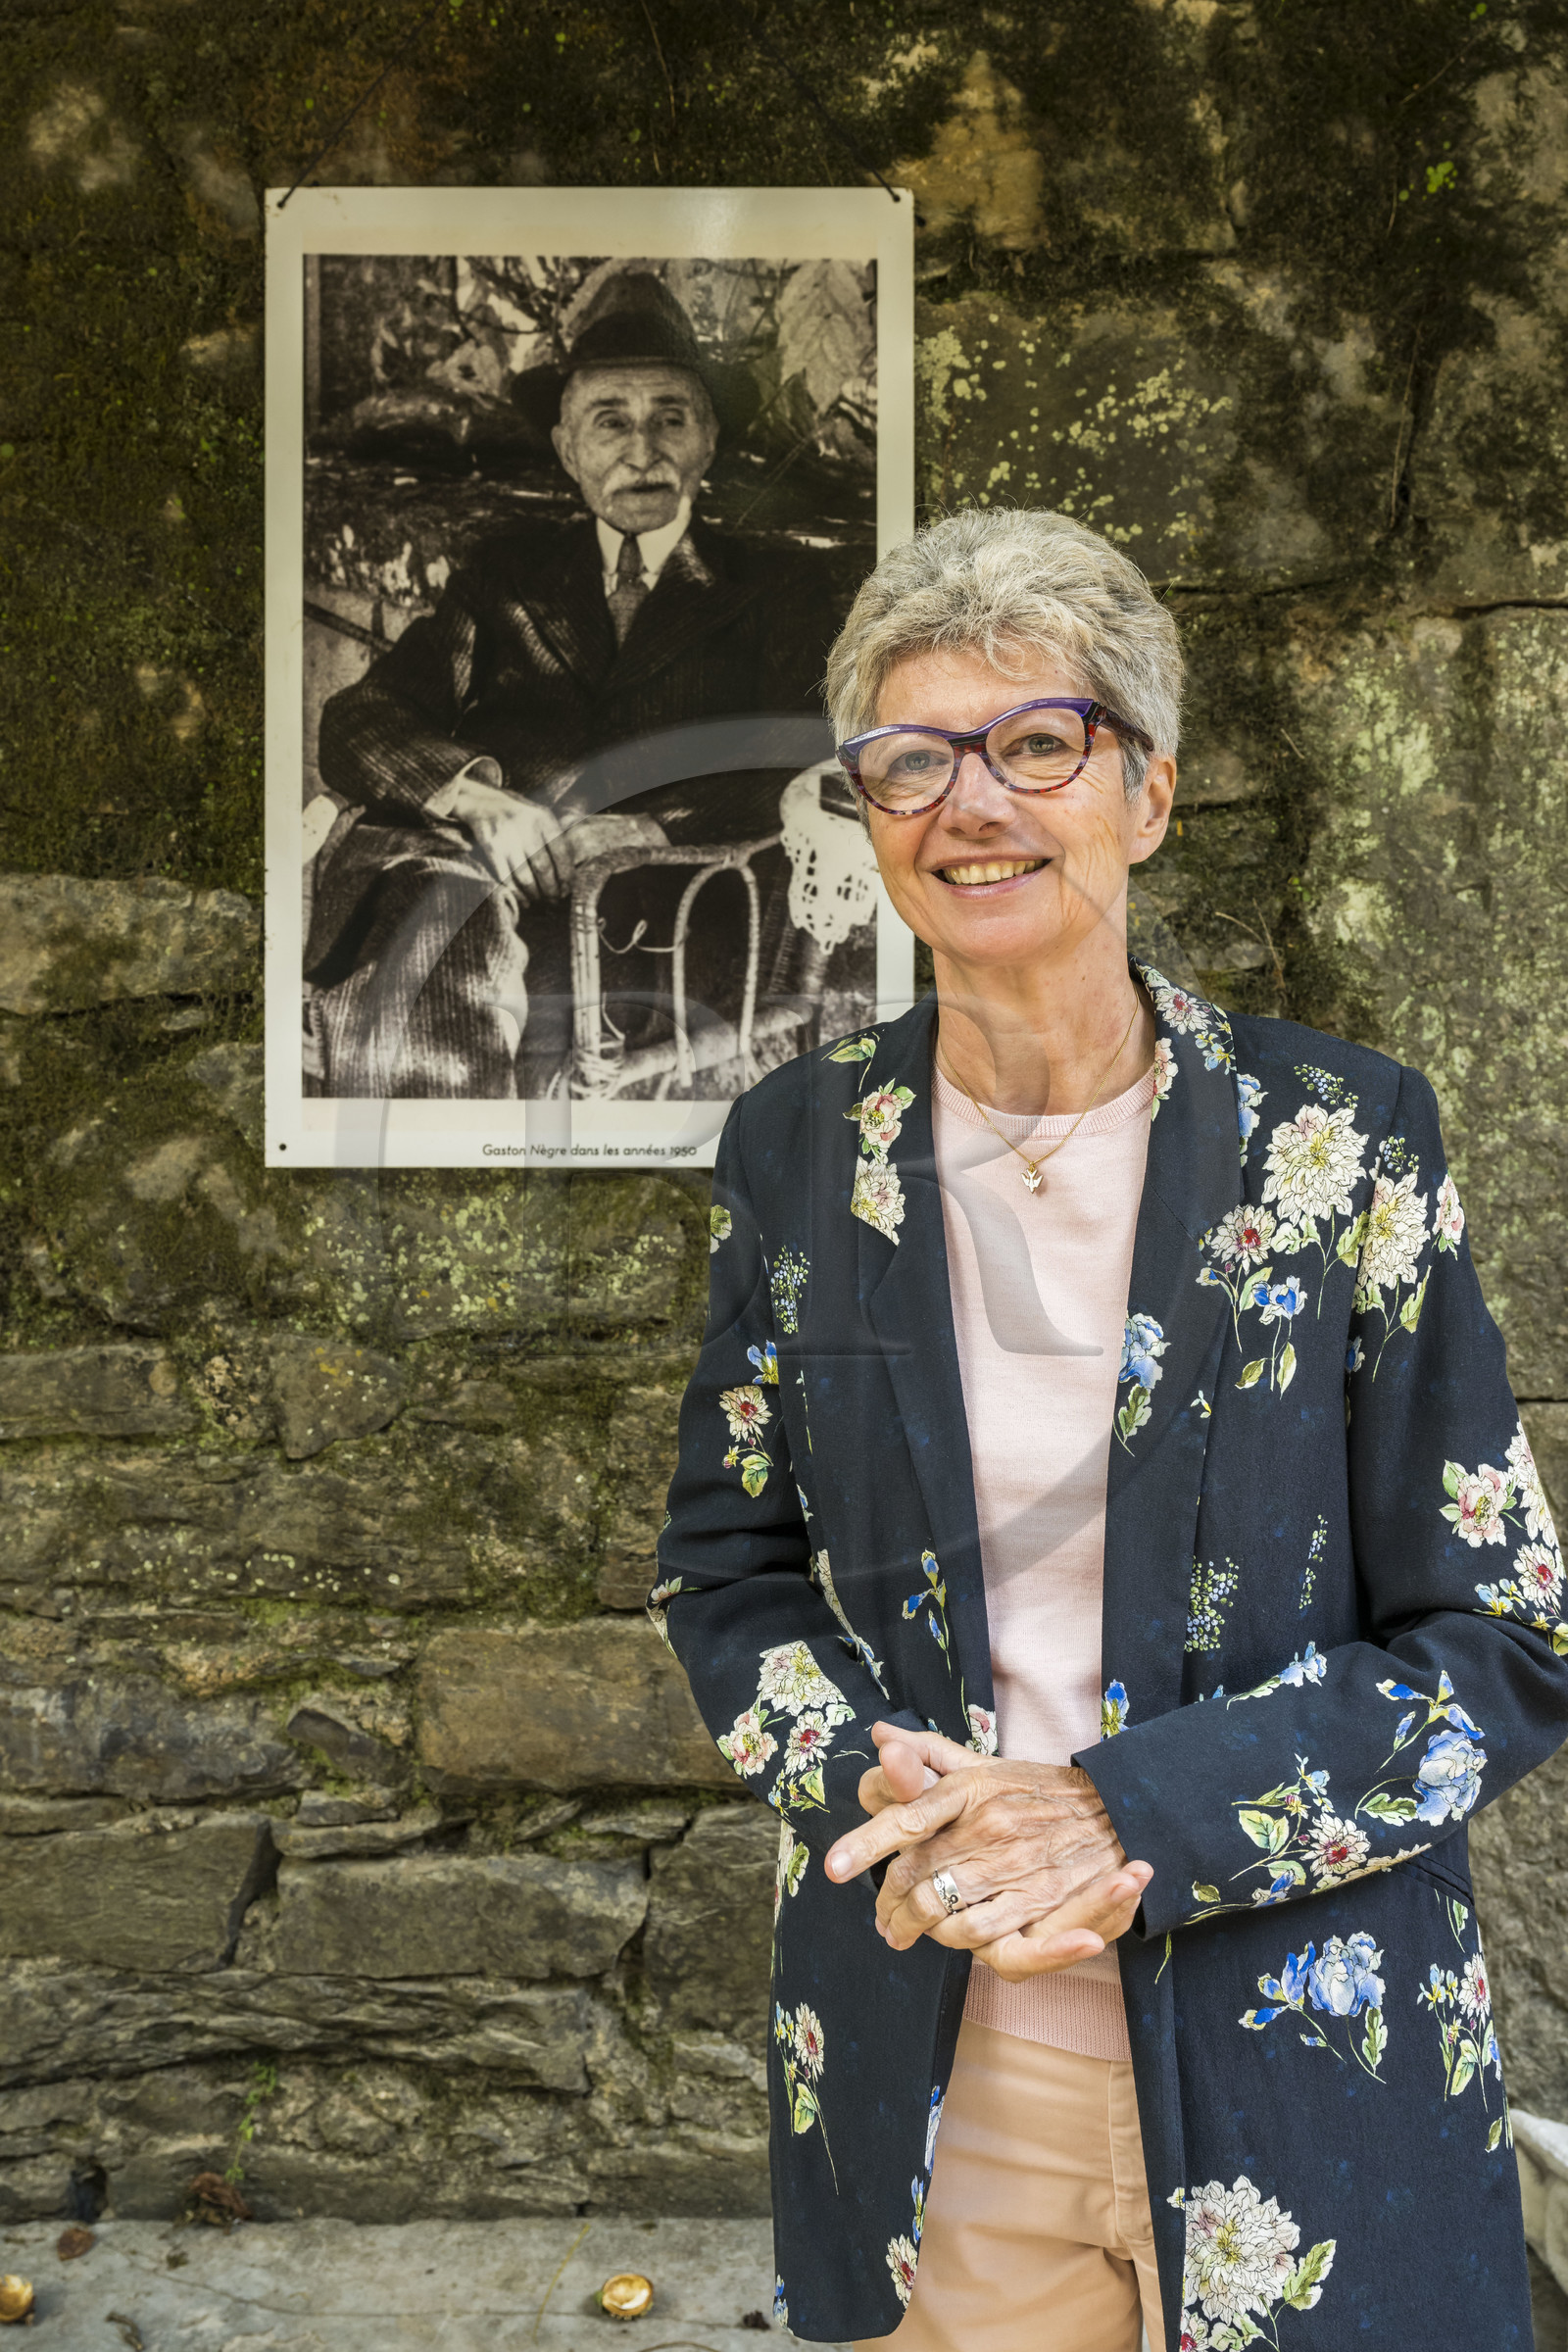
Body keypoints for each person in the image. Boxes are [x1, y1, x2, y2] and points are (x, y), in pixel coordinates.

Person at [653, 505, 1568, 2349]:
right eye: (910, 760)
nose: (970, 804)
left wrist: (1115, 1812)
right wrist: (879, 1792)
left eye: (1037, 745)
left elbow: (1503, 1640)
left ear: (1143, 795)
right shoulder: (801, 1153)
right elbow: (725, 1569)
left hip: (1305, 2056)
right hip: (938, 2065)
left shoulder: (1347, 1140)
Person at [305, 269, 839, 1097]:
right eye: (609, 422)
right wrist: (482, 802)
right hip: (476, 887)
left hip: (660, 922)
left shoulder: (773, 588)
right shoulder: (509, 573)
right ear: (566, 450)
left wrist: (643, 832)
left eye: (671, 418)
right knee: (428, 925)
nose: (642, 450)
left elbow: (817, 753)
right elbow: (361, 719)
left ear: (709, 439)